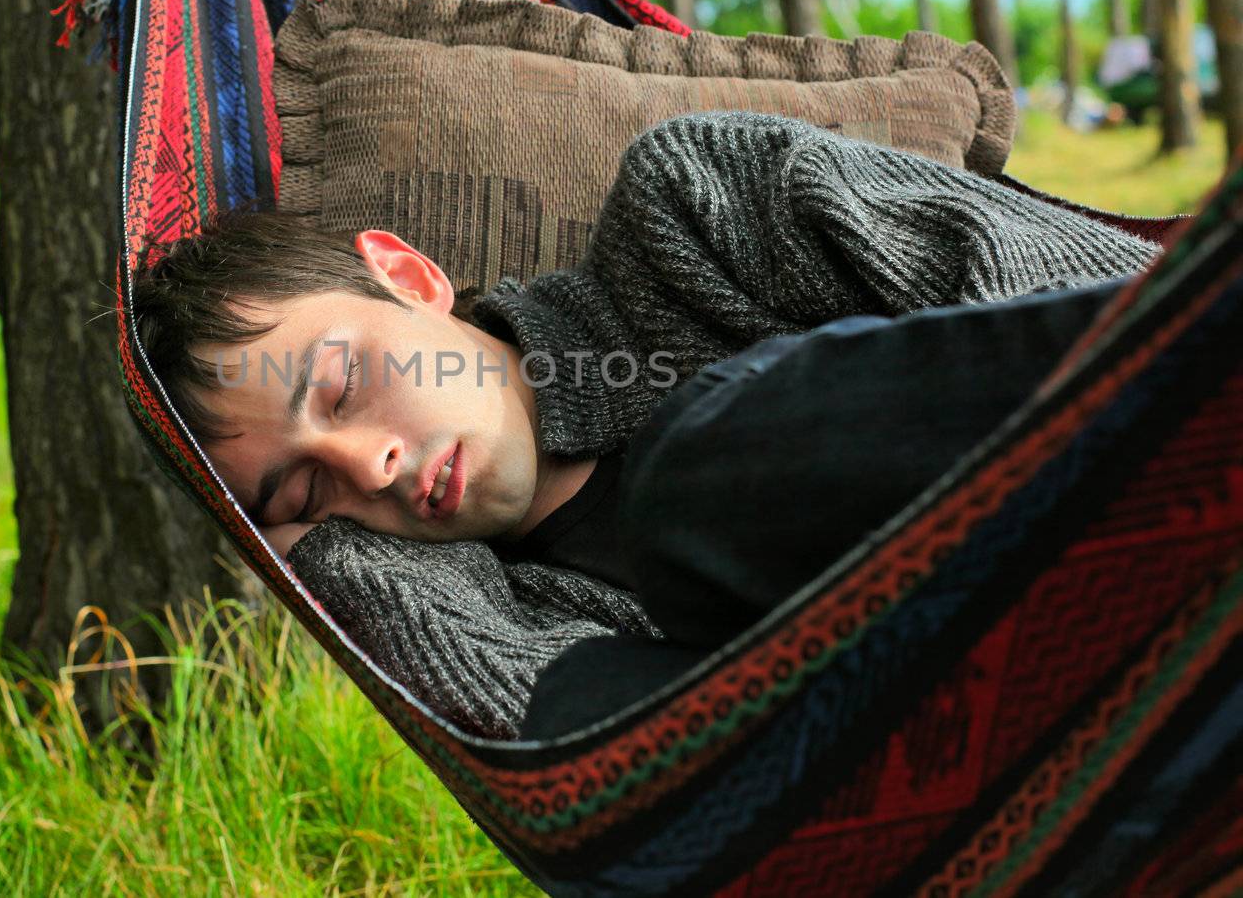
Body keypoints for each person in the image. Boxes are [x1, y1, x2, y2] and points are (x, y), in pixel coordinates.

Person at [133, 111, 1161, 739]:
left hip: (1158, 457)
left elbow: (1097, 289)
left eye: (345, 383)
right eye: (309, 493)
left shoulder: (693, 210)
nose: (372, 463)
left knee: (695, 477)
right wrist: (336, 562)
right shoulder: (528, 617)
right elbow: (653, 792)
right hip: (1061, 735)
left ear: (409, 276)